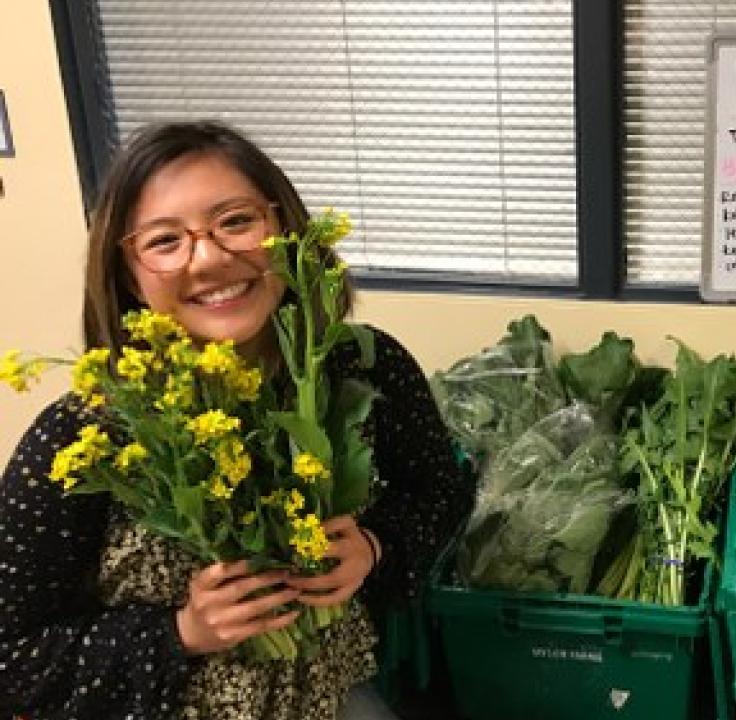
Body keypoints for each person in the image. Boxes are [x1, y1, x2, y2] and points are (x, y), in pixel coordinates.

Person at [0, 121, 472, 719]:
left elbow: (439, 491)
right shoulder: (82, 436)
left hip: (329, 695)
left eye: (236, 221)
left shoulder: (360, 368)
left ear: (286, 232)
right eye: (165, 241)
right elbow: (12, 657)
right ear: (131, 280)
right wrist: (181, 632)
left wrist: (377, 548)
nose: (211, 258)